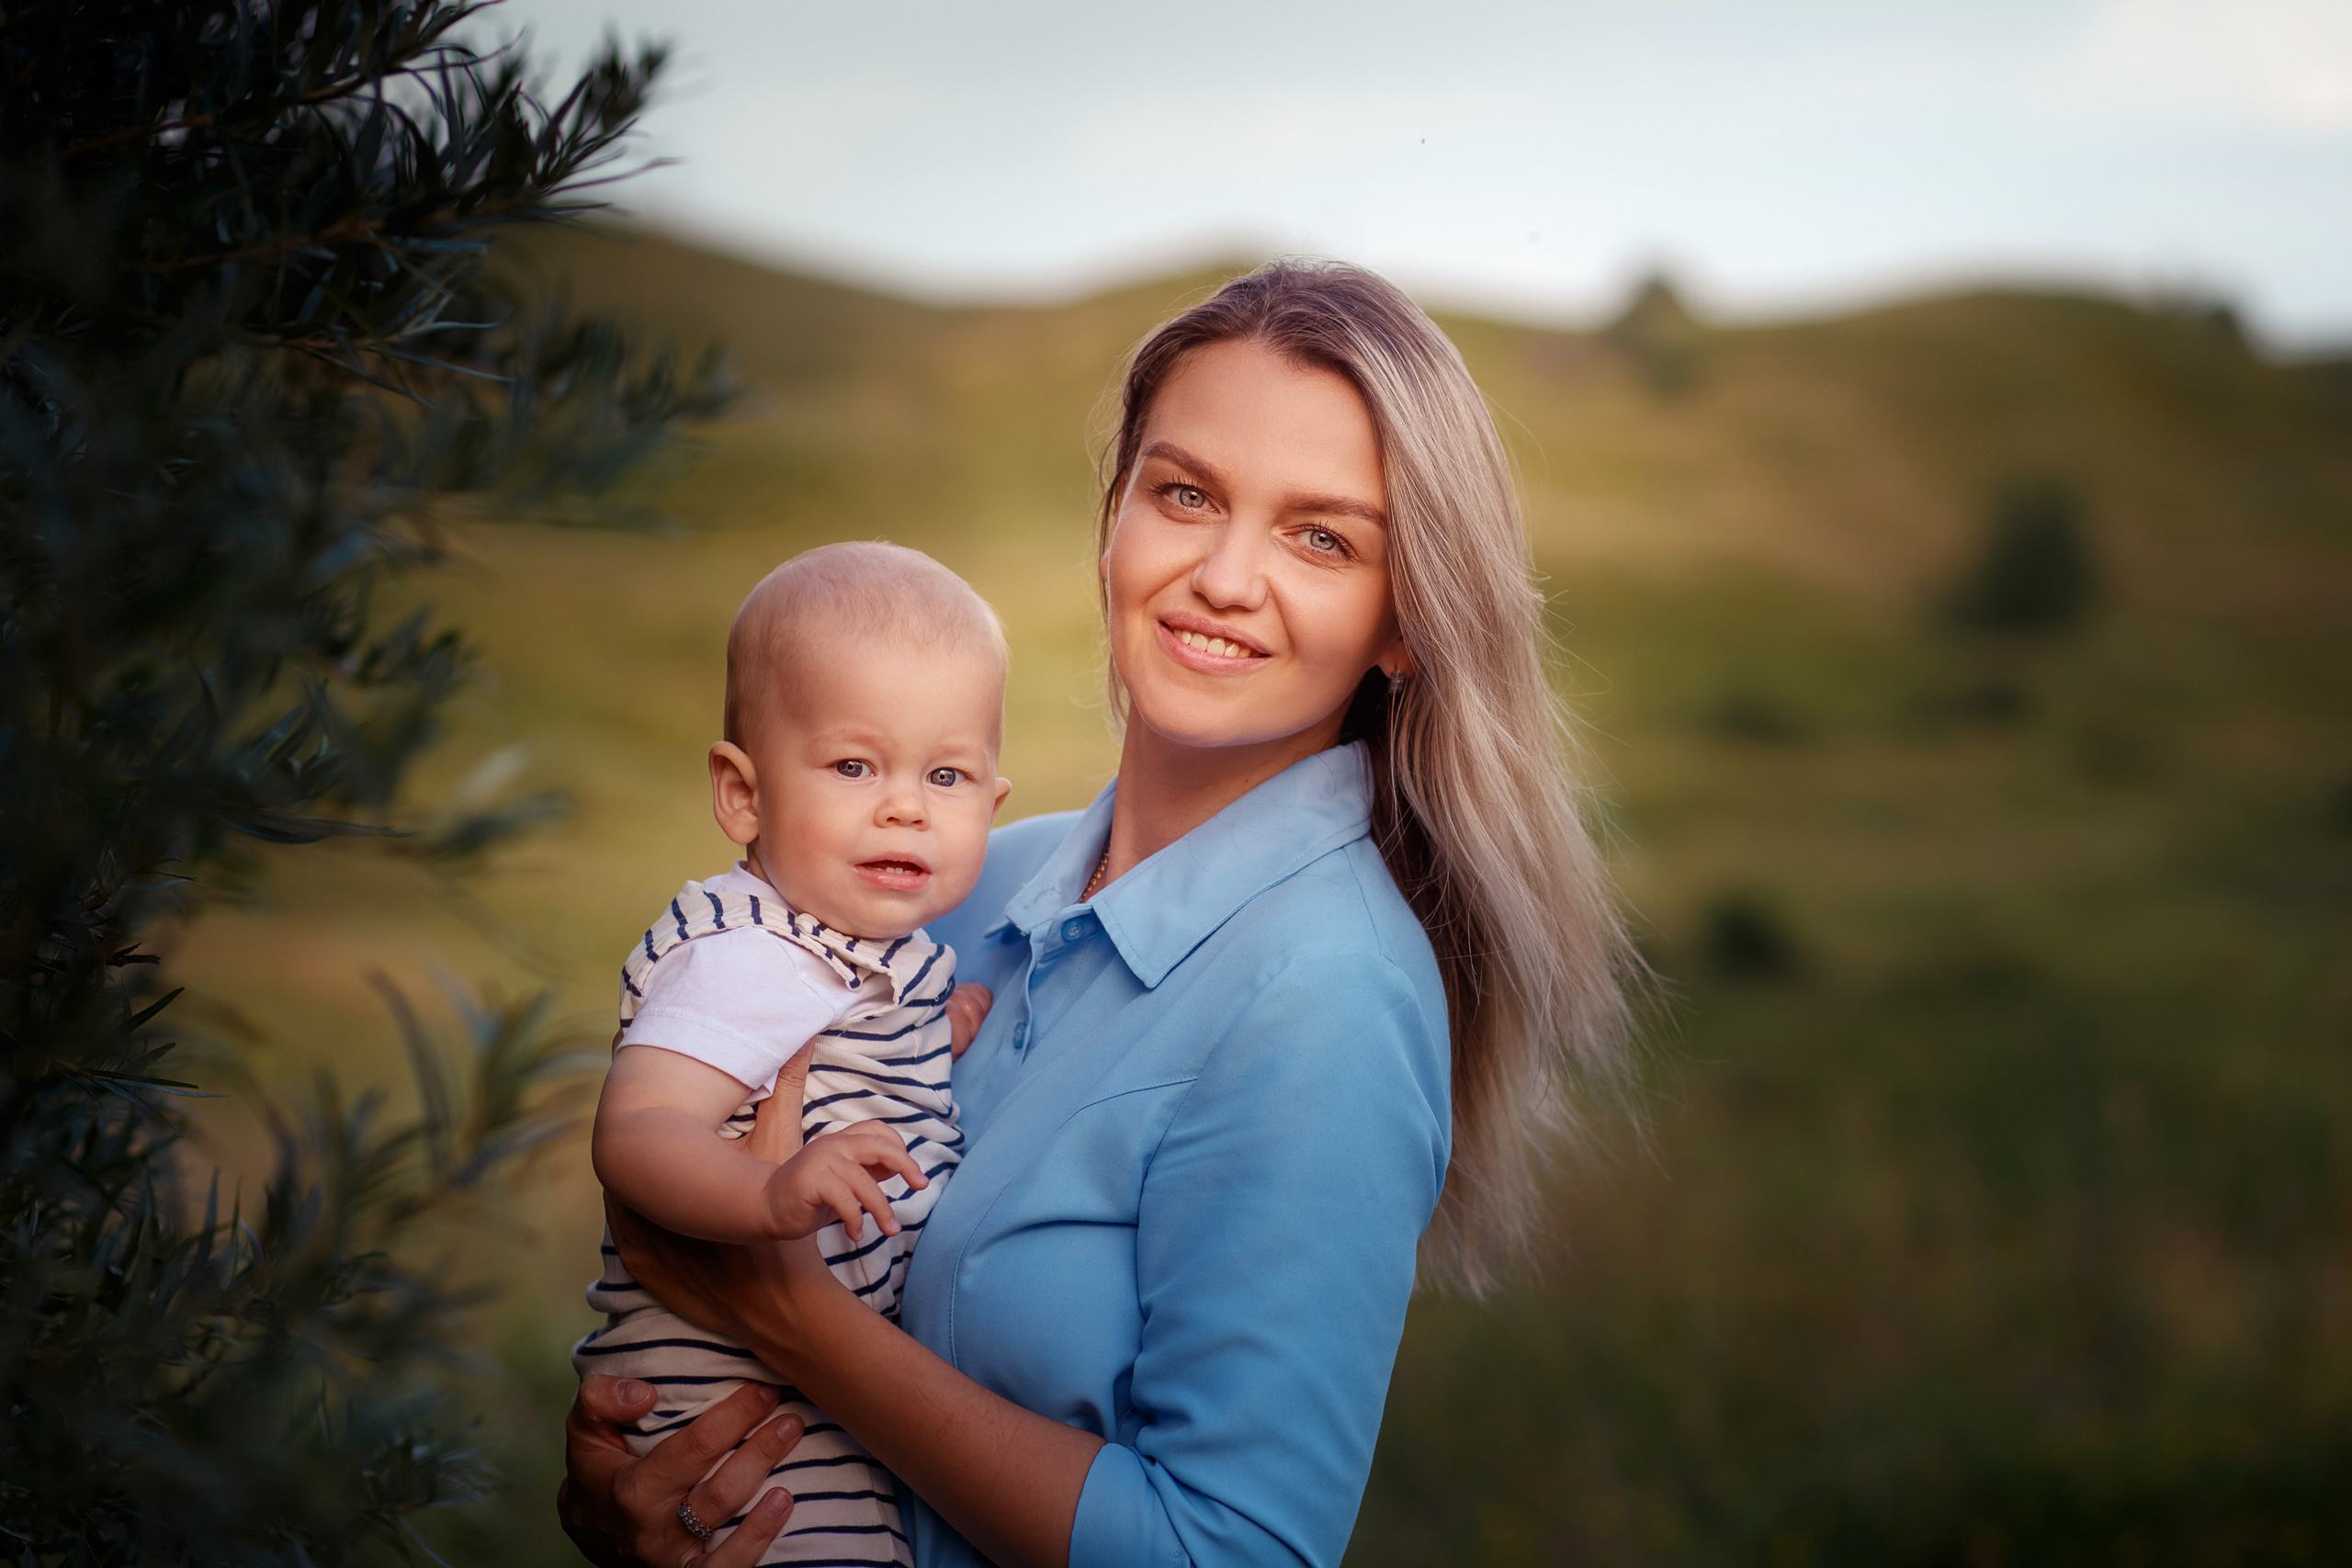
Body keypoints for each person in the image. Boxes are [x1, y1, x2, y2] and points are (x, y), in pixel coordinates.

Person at [559, 260, 1637, 1568]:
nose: (1224, 577)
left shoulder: (1329, 994)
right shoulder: (960, 885)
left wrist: (799, 1329)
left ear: (1402, 623)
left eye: (1321, 538)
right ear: (1116, 517)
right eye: (1185, 494)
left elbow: (1229, 1549)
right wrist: (635, 1495)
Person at [574, 544, 1010, 1565]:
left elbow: (841, 1050)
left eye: (945, 775)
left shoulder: (870, 955)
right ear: (743, 794)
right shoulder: (745, 953)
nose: (905, 805)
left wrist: (927, 1032)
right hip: (727, 1402)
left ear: (992, 804)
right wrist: (766, 1196)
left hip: (824, 1402)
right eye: (854, 766)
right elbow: (637, 1130)